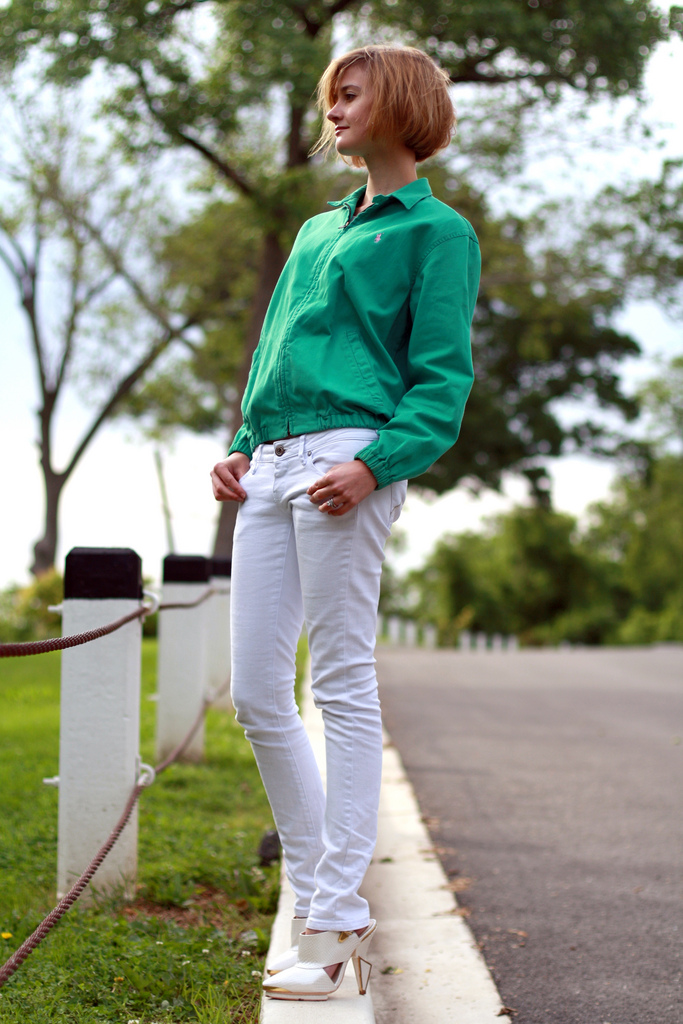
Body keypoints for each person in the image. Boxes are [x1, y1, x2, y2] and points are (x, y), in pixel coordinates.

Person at [210, 44, 480, 1002]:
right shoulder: (318, 231)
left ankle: (327, 918)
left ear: (399, 104)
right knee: (253, 693)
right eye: (330, 99)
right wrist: (244, 440)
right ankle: (329, 893)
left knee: (340, 681)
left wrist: (373, 467)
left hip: (348, 458)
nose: (332, 111)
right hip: (274, 461)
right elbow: (273, 343)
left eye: (348, 95)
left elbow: (442, 379)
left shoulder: (436, 232)